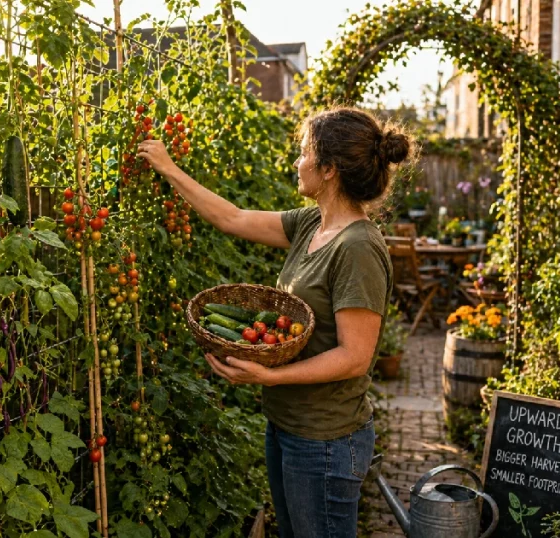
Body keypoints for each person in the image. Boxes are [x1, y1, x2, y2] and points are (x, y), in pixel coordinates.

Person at [137, 107, 411, 538]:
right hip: (288, 424)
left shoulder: (357, 247)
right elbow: (233, 218)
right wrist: (170, 169)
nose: (296, 162)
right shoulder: (311, 225)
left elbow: (355, 357)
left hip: (326, 440)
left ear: (329, 170)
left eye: (304, 153)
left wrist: (270, 374)